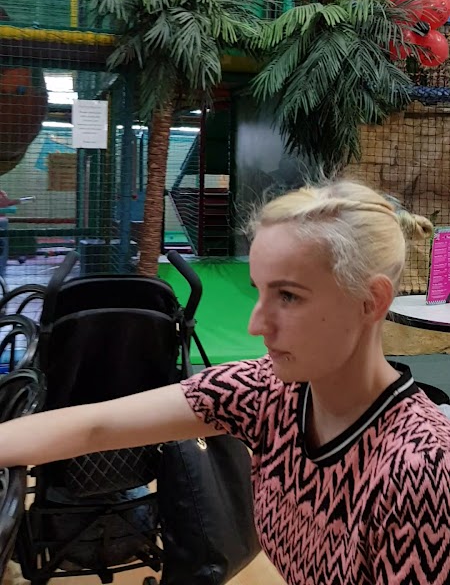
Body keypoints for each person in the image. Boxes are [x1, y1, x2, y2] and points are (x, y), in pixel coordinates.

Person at [0, 179, 449, 584]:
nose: (256, 325)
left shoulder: (422, 472)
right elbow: (96, 427)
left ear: (370, 300)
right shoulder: (267, 392)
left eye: (288, 296)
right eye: (260, 290)